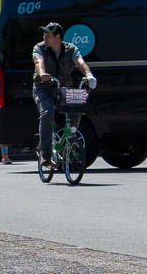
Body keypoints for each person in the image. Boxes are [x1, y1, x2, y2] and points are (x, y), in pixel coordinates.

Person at [32, 23, 98, 167]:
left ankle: (71, 139)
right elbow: (39, 62)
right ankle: (46, 154)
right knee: (47, 113)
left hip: (62, 88)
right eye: (44, 34)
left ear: (58, 37)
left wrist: (89, 75)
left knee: (77, 105)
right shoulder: (39, 48)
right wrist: (42, 74)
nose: (45, 37)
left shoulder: (71, 49)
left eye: (48, 35)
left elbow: (80, 62)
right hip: (43, 88)